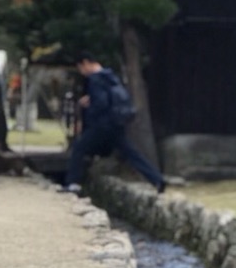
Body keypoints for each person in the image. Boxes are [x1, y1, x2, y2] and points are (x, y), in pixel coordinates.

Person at [65, 55, 165, 193]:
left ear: (86, 63)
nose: (82, 72)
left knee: (79, 148)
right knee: (131, 153)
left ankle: (73, 184)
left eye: (81, 68)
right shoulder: (111, 77)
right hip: (116, 122)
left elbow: (101, 103)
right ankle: (157, 179)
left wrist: (88, 109)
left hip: (101, 125)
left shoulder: (95, 79)